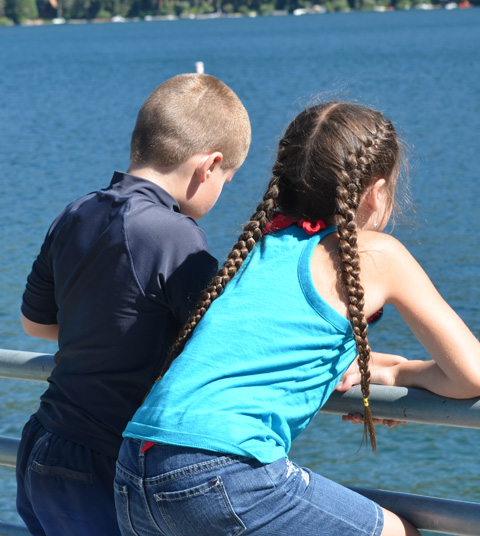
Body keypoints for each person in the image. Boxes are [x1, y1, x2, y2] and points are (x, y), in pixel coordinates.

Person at [114, 101, 480, 536]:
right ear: (376, 193)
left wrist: (378, 369)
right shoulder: (376, 254)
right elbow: (472, 375)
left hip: (134, 471)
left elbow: (263, 352)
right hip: (219, 471)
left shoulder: (258, 249)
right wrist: (406, 373)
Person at [16, 73, 251, 536]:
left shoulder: (76, 212)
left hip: (43, 445)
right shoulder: (174, 235)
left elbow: (34, 323)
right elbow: (226, 343)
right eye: (226, 179)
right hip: (103, 461)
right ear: (209, 166)